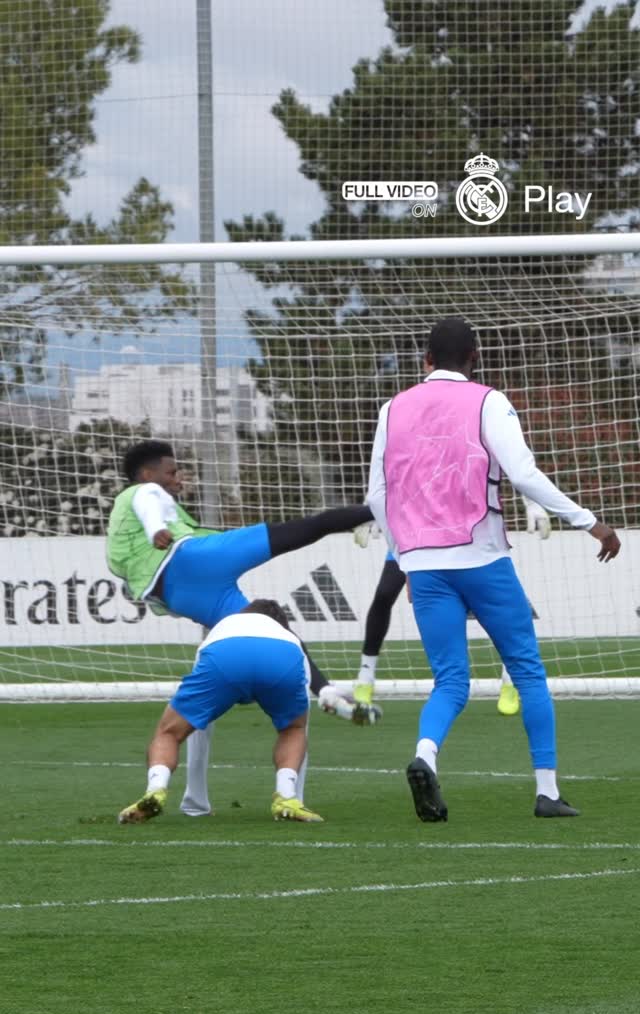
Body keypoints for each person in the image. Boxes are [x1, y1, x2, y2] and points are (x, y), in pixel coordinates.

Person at [367, 316, 620, 821]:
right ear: (475, 357)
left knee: (450, 682)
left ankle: (424, 755)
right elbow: (522, 473)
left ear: (426, 361)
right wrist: (588, 521)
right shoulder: (488, 400)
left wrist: (407, 558)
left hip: (424, 562)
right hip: (482, 556)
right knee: (527, 670)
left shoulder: (391, 408)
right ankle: (546, 791)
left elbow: (377, 494)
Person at [106, 440, 376, 817]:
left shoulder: (143, 513)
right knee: (302, 530)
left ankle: (325, 690)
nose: (178, 476)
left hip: (185, 594)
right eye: (171, 471)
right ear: (147, 473)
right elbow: (148, 504)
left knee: (271, 630)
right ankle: (382, 510)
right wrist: (155, 531)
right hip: (190, 562)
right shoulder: (142, 491)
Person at [118, 599, 322, 824]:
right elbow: (303, 703)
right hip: (281, 656)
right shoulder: (289, 638)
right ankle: (287, 797)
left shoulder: (224, 626)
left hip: (225, 653)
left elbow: (200, 698)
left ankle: (157, 790)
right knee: (294, 729)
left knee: (170, 732)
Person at [353, 495, 550, 719]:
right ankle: (365, 677)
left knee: (499, 605)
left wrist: (532, 502)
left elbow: (511, 464)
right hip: (416, 529)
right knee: (385, 593)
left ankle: (509, 680)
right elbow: (390, 472)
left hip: (471, 530)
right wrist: (372, 508)